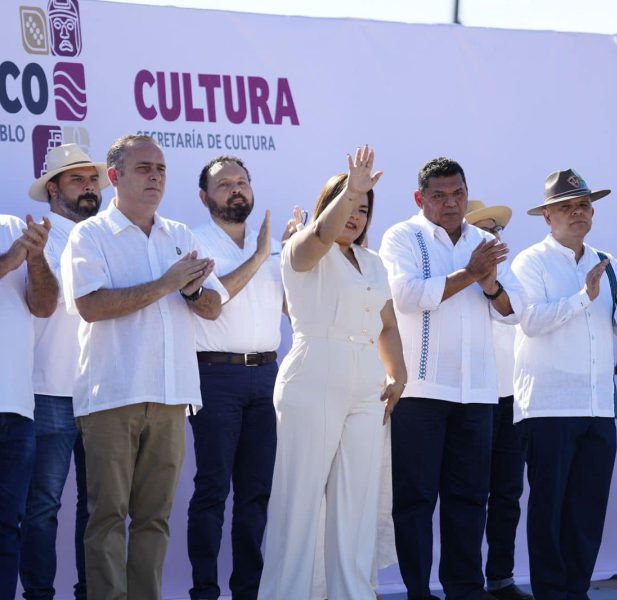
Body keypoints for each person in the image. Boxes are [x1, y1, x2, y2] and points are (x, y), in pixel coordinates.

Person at [61, 134, 228, 600]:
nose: (155, 176)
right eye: (143, 168)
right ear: (114, 177)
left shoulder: (180, 234)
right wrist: (166, 283)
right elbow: (91, 305)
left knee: (155, 518)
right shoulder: (89, 234)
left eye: (161, 168)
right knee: (107, 516)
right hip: (113, 394)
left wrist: (193, 291)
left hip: (173, 395)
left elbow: (213, 307)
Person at [258, 146, 406, 600]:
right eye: (347, 204)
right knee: (299, 504)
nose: (355, 215)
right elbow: (315, 244)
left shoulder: (375, 262)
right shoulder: (302, 246)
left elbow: (387, 323)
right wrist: (351, 189)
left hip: (365, 386)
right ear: (327, 206)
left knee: (357, 508)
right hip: (313, 375)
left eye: (363, 208)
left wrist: (397, 375)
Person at [379, 158, 523, 600]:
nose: (450, 203)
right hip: (420, 391)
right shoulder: (402, 236)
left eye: (457, 193)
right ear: (419, 199)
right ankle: (419, 592)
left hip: (477, 394)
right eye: (438, 195)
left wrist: (492, 286)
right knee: (416, 501)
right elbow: (406, 297)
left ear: (467, 192)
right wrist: (471, 274)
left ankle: (465, 590)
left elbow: (514, 309)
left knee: (469, 500)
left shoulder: (484, 241)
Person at [511, 169, 617, 600]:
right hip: (549, 406)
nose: (578, 213)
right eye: (566, 206)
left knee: (587, 509)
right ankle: (551, 593)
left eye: (584, 205)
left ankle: (577, 590)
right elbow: (529, 321)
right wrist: (581, 299)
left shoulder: (603, 260)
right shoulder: (530, 262)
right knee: (549, 509)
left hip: (598, 407)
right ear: (547, 217)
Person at [187, 155, 284, 600]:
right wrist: (262, 254)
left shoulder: (273, 247)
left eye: (242, 181)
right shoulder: (191, 242)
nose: (236, 189)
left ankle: (249, 590)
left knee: (256, 494)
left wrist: (296, 253)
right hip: (215, 377)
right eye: (224, 184)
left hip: (268, 376)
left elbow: (291, 307)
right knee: (212, 491)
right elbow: (207, 305)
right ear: (206, 197)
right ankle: (204, 591)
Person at [19, 143, 107, 600]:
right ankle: (38, 594)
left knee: (100, 510)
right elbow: (43, 305)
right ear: (53, 189)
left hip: (101, 393)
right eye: (77, 180)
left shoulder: (110, 238)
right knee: (42, 508)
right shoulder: (37, 237)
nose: (89, 188)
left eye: (93, 180)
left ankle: (91, 592)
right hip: (48, 392)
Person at [465, 201, 531, 600]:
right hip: (471, 398)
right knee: (469, 494)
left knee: (507, 494)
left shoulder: (514, 271)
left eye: (497, 230)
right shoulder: (457, 273)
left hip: (511, 398)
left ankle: (501, 578)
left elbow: (520, 316)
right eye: (483, 230)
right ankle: (467, 579)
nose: (494, 237)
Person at [0, 212, 57, 600]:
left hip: (16, 407)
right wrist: (9, 260)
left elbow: (44, 306)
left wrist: (35, 257)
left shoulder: (12, 225)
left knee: (7, 527)